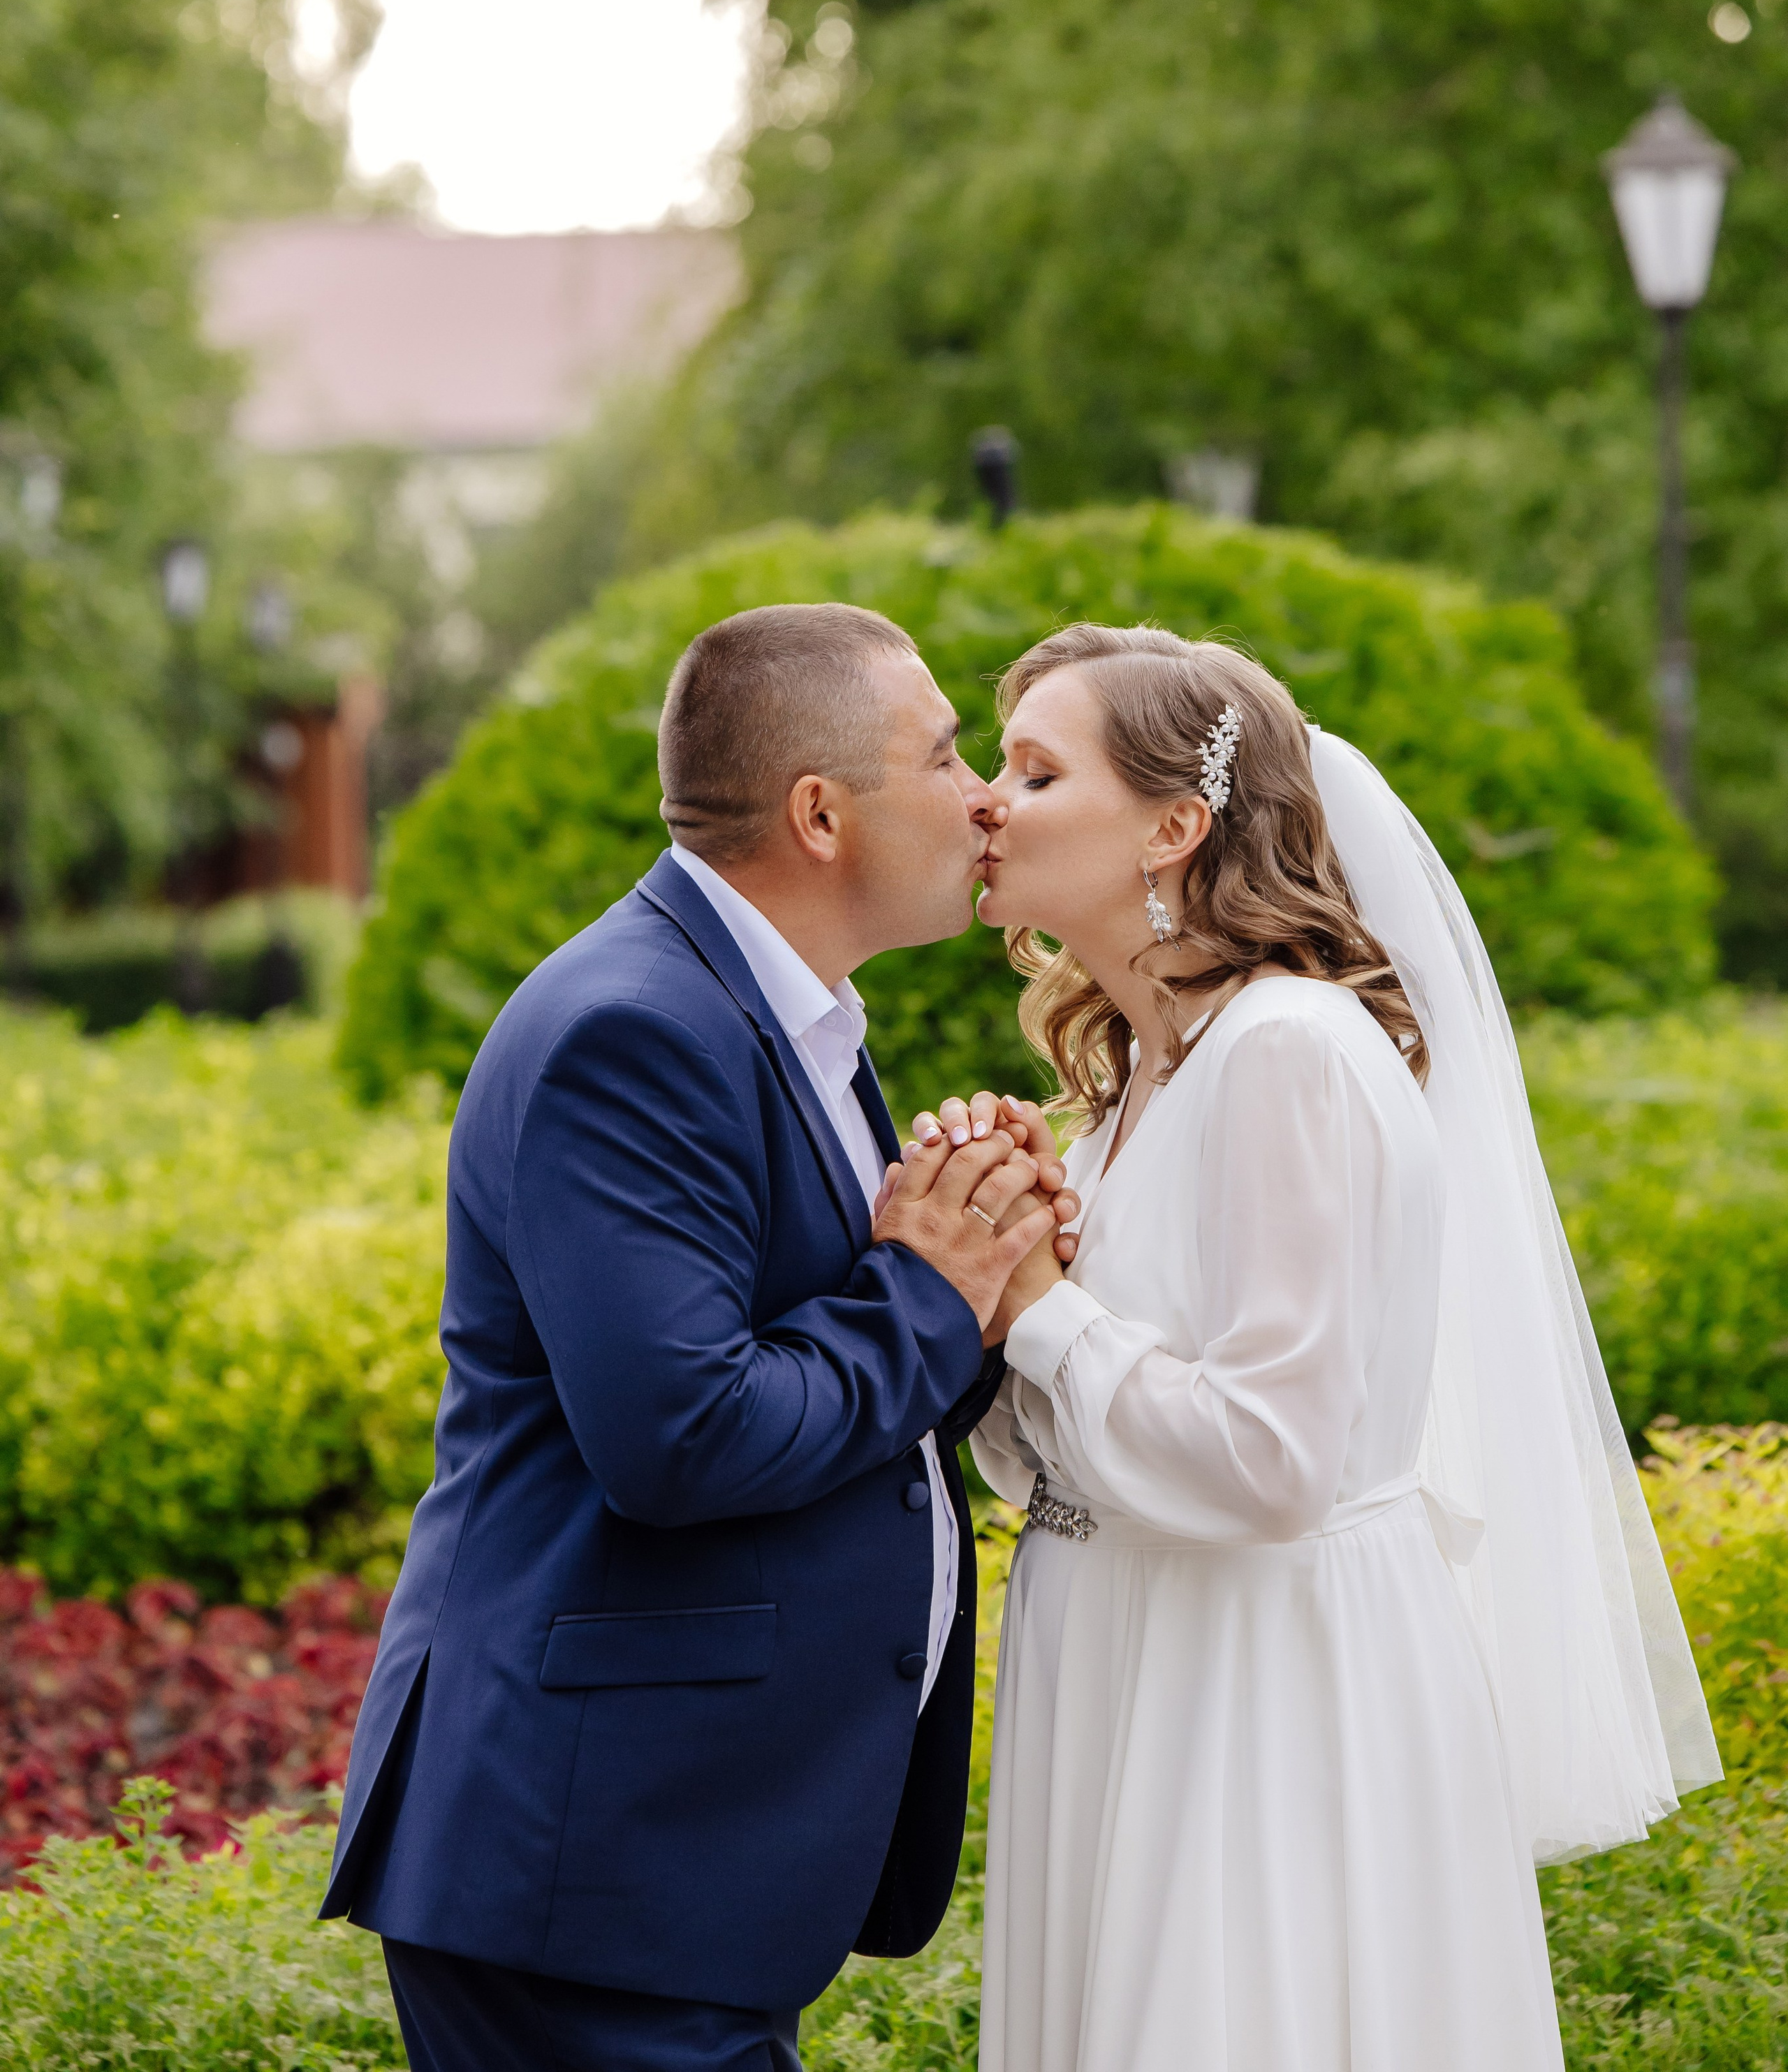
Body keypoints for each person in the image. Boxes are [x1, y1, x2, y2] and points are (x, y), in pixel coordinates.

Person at [911, 623, 1720, 2072]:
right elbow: (1059, 1449)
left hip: (1256, 1680)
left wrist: (1042, 1307)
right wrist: (973, 1269)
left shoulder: (1291, 1051)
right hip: (1118, 1648)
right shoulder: (1137, 1084)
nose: (984, 801)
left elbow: (1272, 1463)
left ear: (1172, 825)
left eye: (1033, 773)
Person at [321, 601, 1072, 2072]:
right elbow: (684, 1433)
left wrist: (989, 1276)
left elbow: (836, 1347)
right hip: (588, 1875)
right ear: (817, 814)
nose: (985, 794)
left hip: (667, 1871)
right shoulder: (635, 1030)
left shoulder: (784, 1017)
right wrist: (930, 1284)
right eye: (943, 754)